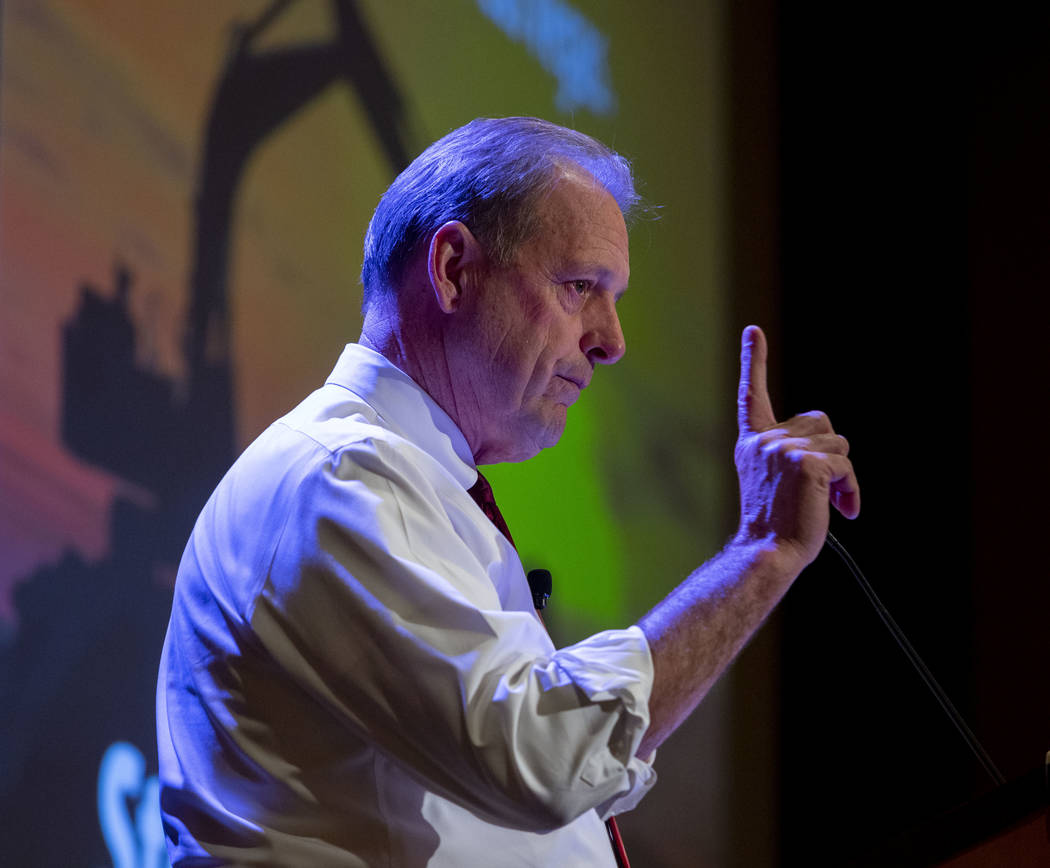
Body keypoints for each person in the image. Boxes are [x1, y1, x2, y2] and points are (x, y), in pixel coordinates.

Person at [157, 117, 859, 866]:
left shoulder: (416, 486)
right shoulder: (339, 475)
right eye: (579, 286)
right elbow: (538, 755)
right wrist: (762, 552)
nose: (611, 341)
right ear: (454, 268)